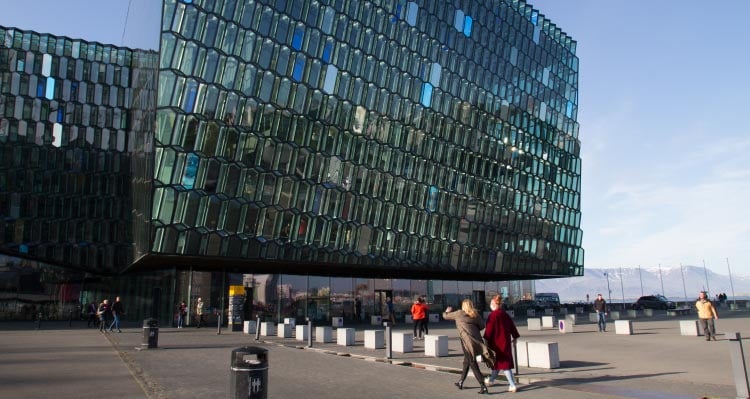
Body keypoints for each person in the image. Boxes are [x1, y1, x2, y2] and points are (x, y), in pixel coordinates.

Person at [443, 299, 489, 394]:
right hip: (477, 341)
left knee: (472, 362)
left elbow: (445, 316)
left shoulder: (459, 313)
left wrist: (447, 311)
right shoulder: (475, 314)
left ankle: (482, 385)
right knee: (466, 362)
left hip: (467, 342)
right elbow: (482, 326)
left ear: (463, 306)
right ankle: (461, 382)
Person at [483, 295, 520, 392]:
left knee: (504, 365)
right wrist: (515, 337)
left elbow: (488, 331)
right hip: (506, 342)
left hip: (496, 344)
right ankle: (491, 380)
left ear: (494, 304)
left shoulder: (493, 315)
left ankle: (512, 385)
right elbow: (512, 327)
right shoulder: (505, 314)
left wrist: (485, 341)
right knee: (498, 364)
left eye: (491, 303)